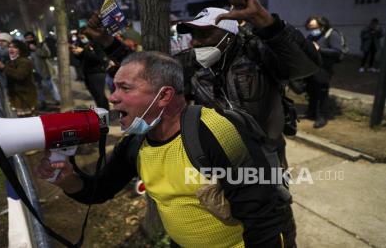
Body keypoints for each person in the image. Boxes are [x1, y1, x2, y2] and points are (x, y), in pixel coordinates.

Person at [36, 51, 292, 247]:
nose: (112, 97)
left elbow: (264, 221)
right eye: (114, 87)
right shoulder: (136, 142)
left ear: (164, 96)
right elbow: (100, 190)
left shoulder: (216, 132)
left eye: (125, 88)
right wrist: (68, 179)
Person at [304, 15, 343, 128]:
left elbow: (337, 52)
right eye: (310, 27)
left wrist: (320, 49)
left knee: (322, 94)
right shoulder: (311, 36)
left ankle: (322, 117)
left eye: (314, 27)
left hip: (323, 70)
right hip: (311, 69)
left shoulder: (331, 34)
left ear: (322, 25)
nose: (312, 30)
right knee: (311, 92)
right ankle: (311, 112)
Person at [0, 39, 38, 117]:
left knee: (27, 120)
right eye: (10, 47)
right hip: (15, 97)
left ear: (20, 50)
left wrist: (3, 67)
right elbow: (7, 73)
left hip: (24, 97)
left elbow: (19, 75)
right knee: (20, 119)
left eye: (14, 47)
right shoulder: (10, 61)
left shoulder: (25, 61)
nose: (11, 49)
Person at [70, 32, 110, 110]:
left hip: (97, 73)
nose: (82, 39)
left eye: (83, 37)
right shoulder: (85, 45)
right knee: (95, 94)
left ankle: (105, 113)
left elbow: (98, 58)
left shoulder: (96, 45)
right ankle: (101, 112)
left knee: (100, 95)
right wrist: (77, 53)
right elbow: (83, 58)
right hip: (88, 73)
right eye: (80, 38)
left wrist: (84, 51)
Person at [24, 32, 61, 110]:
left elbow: (47, 54)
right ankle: (42, 103)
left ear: (34, 37)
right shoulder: (25, 48)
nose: (29, 39)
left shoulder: (41, 45)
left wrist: (36, 49)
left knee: (51, 86)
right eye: (27, 38)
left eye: (30, 37)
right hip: (33, 72)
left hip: (44, 70)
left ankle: (58, 100)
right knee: (38, 88)